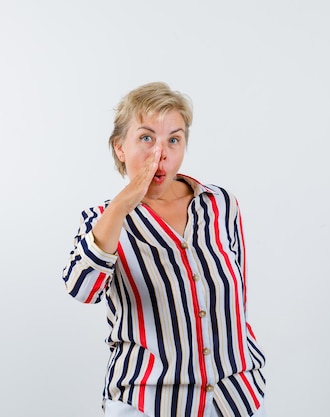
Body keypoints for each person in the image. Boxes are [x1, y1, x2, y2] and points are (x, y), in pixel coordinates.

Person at [62, 82, 266, 417]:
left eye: (174, 139)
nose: (161, 153)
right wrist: (121, 206)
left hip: (233, 399)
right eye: (146, 138)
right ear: (120, 148)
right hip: (148, 402)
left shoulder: (219, 204)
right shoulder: (101, 220)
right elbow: (82, 290)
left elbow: (237, 300)